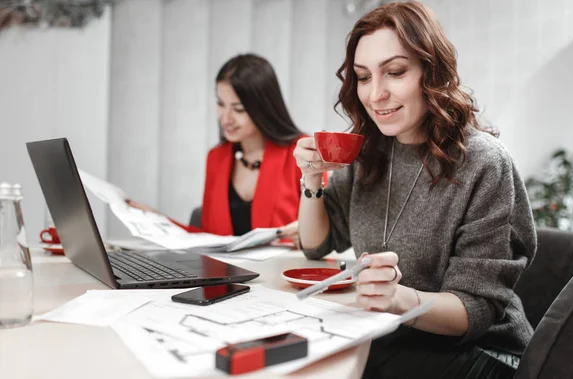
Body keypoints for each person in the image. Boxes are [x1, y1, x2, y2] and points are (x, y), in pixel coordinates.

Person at [293, 2, 536, 379]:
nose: (375, 95)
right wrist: (311, 178)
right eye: (363, 76)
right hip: (394, 335)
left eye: (394, 72)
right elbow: (315, 244)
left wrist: (398, 297)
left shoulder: (484, 163)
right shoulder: (370, 151)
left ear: (431, 71)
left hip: (484, 353)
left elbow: (473, 310)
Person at [131, 54, 313, 246]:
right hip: (226, 273)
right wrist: (158, 221)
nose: (226, 119)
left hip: (282, 271)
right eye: (220, 104)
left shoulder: (302, 153)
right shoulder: (217, 158)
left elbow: (324, 231)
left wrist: (310, 234)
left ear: (264, 108)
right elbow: (209, 238)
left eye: (238, 109)